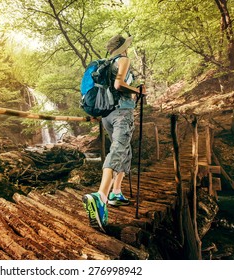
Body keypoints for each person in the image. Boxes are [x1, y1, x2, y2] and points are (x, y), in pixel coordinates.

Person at [82, 34, 146, 232]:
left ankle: (116, 193)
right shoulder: (123, 60)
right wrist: (138, 91)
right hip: (122, 113)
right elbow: (119, 85)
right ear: (123, 48)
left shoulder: (105, 64)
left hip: (107, 115)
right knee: (118, 150)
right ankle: (101, 196)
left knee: (124, 150)